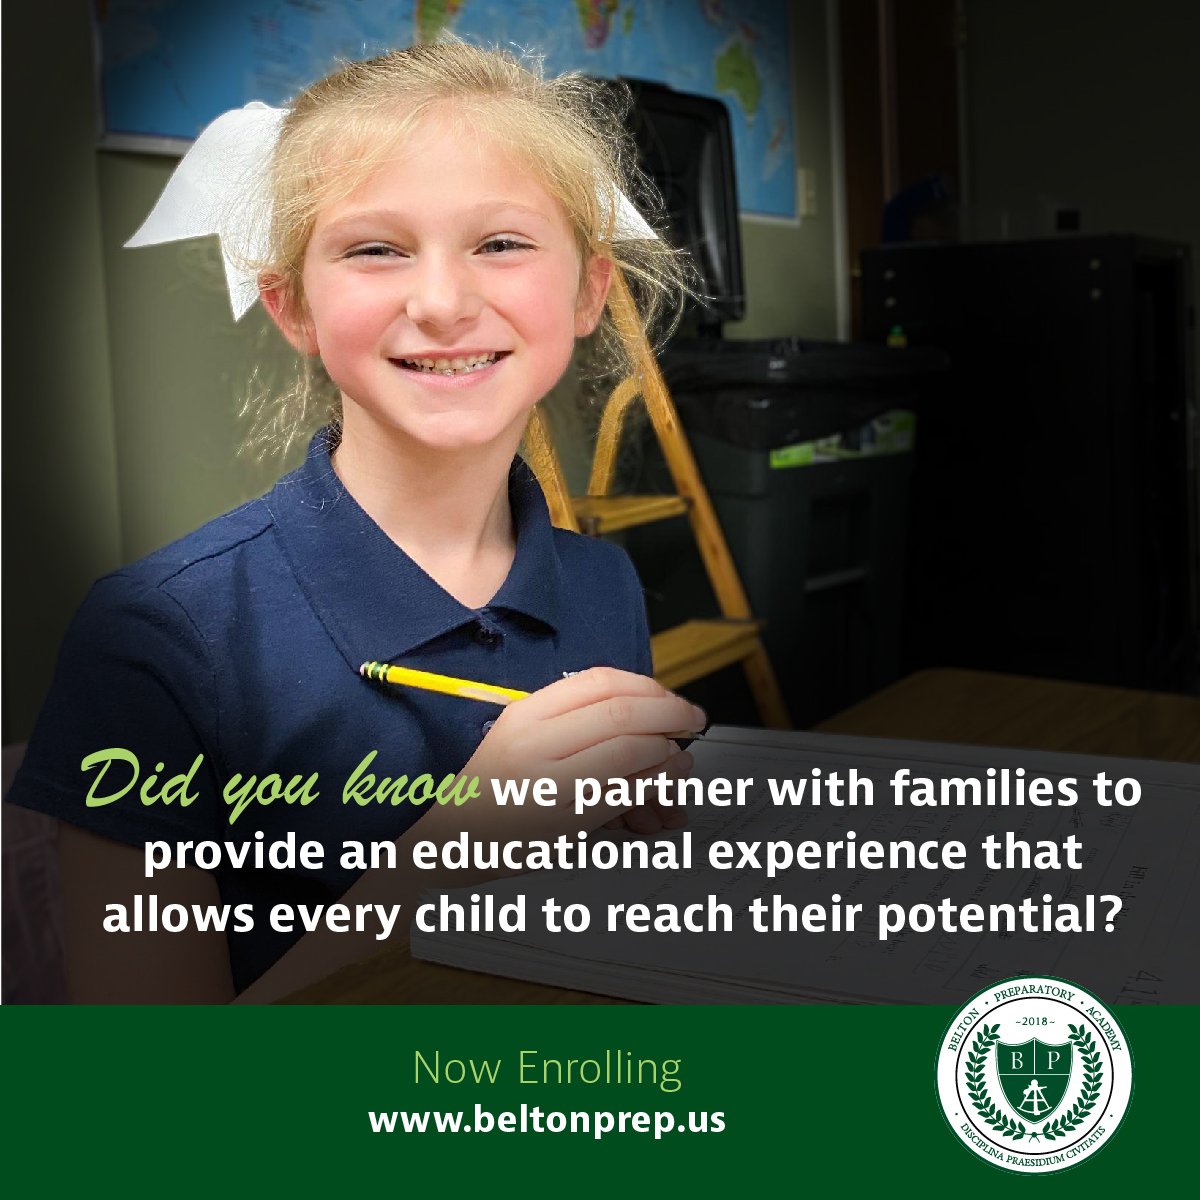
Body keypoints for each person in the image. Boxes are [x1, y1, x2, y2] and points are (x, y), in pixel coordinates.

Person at [6, 40, 706, 1004]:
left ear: (588, 291)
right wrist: (454, 848)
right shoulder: (152, 640)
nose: (442, 303)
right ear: (292, 306)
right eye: (375, 248)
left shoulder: (603, 586)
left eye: (501, 243)